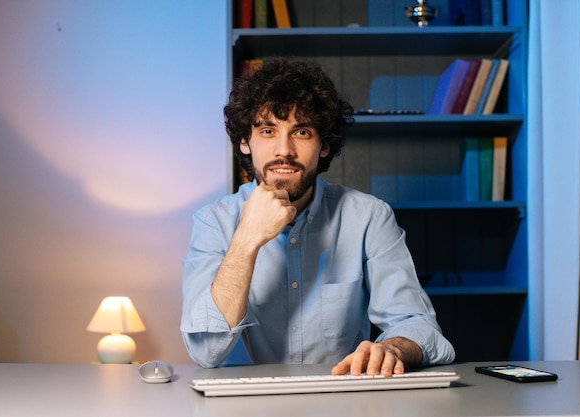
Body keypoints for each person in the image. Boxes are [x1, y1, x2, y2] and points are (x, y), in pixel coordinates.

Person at [180, 58, 455, 376]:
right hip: (244, 404)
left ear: (324, 145)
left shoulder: (368, 217)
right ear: (245, 142)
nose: (284, 150)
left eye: (302, 132)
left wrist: (391, 348)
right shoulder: (213, 222)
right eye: (268, 130)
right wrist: (246, 238)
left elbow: (418, 325)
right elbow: (205, 351)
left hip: (342, 399)